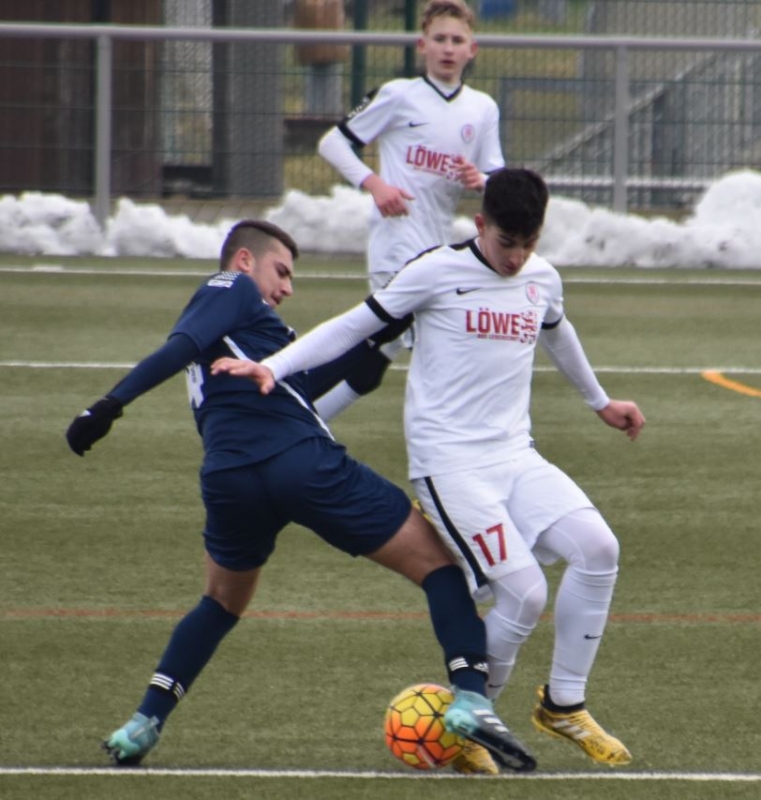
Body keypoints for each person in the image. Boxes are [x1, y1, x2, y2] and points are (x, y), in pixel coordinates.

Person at [64, 219, 536, 773]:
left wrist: (383, 336)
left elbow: (314, 383)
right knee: (439, 566)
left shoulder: (257, 341)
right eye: (281, 272)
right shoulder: (230, 288)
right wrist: (108, 405)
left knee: (220, 602)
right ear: (245, 261)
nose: (287, 288)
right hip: (301, 465)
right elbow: (180, 346)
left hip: (230, 480)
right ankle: (472, 697)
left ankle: (144, 723)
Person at [212, 170, 647, 769]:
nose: (516, 258)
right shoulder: (435, 271)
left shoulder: (541, 278)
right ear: (480, 225)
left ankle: (563, 704)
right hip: (449, 465)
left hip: (515, 456)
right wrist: (275, 367)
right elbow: (353, 326)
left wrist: (601, 402)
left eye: (528, 244)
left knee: (599, 550)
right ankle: (467, 728)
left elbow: (558, 330)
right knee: (525, 593)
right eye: (506, 243)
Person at [314, 0, 504, 420]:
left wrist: (481, 180)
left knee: (381, 347)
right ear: (422, 45)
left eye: (457, 40)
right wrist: (376, 185)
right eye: (440, 39)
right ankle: (443, 433)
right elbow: (333, 142)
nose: (448, 48)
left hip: (437, 246)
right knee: (429, 344)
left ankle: (305, 412)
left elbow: (498, 178)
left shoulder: (483, 108)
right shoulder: (399, 95)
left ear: (472, 49)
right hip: (395, 243)